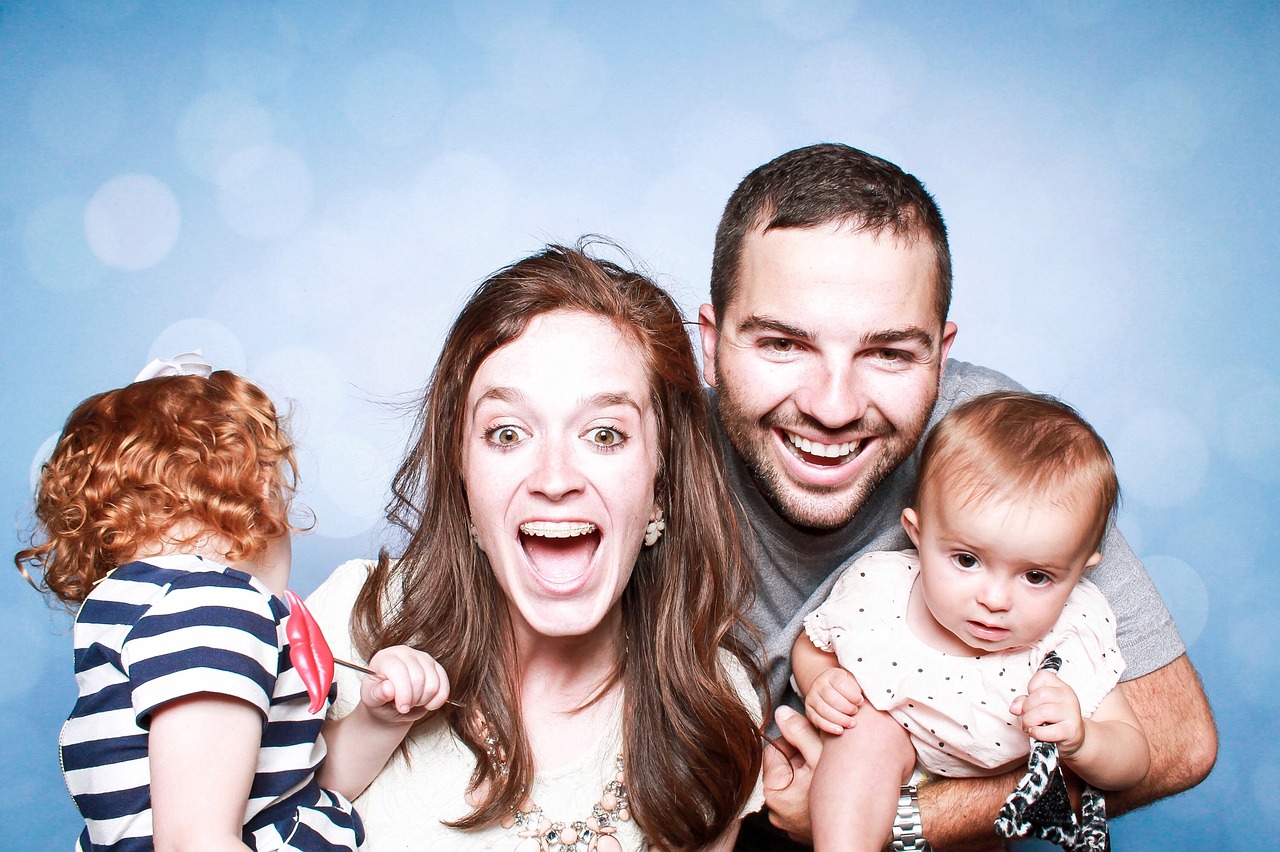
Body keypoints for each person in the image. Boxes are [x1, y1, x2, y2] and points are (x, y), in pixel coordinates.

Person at [695, 143, 1216, 849]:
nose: (833, 407)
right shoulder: (638, 443)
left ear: (941, 356)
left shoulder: (996, 451)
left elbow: (1177, 740)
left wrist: (896, 823)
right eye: (783, 344)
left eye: (889, 353)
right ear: (711, 343)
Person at [305, 244, 764, 850]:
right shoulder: (352, 624)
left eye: (605, 434)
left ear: (662, 483)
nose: (554, 479)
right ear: (463, 475)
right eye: (507, 433)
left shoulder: (713, 702)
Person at [15, 353, 447, 851]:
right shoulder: (212, 609)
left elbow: (294, 789)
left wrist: (379, 720)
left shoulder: (134, 609)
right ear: (259, 493)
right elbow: (195, 841)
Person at [792, 392, 1150, 851]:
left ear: (1080, 571)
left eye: (1036, 577)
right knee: (865, 731)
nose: (995, 600)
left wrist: (1084, 740)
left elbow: (1133, 761)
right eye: (966, 560)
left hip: (972, 813)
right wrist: (822, 681)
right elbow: (814, 643)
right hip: (882, 760)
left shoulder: (1067, 638)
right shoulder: (881, 590)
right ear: (918, 535)